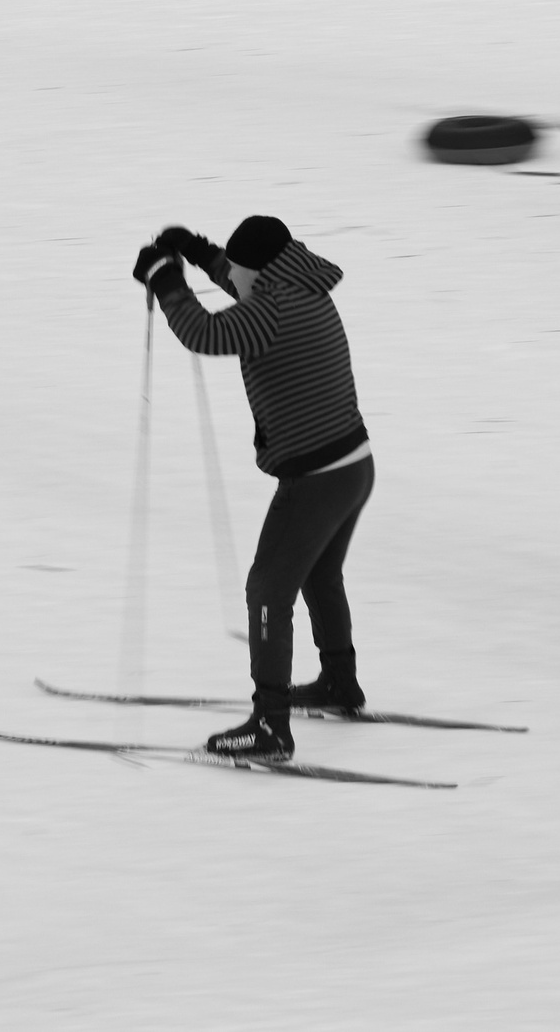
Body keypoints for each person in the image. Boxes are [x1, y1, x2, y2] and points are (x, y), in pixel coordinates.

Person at [133, 217, 374, 764]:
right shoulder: (297, 283)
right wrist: (196, 250)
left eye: (238, 272)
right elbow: (236, 277)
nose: (232, 279)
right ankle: (339, 683)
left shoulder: (270, 311)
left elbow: (203, 333)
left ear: (258, 273)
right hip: (354, 465)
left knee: (268, 590)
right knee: (319, 574)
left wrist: (166, 279)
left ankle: (269, 726)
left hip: (317, 479)